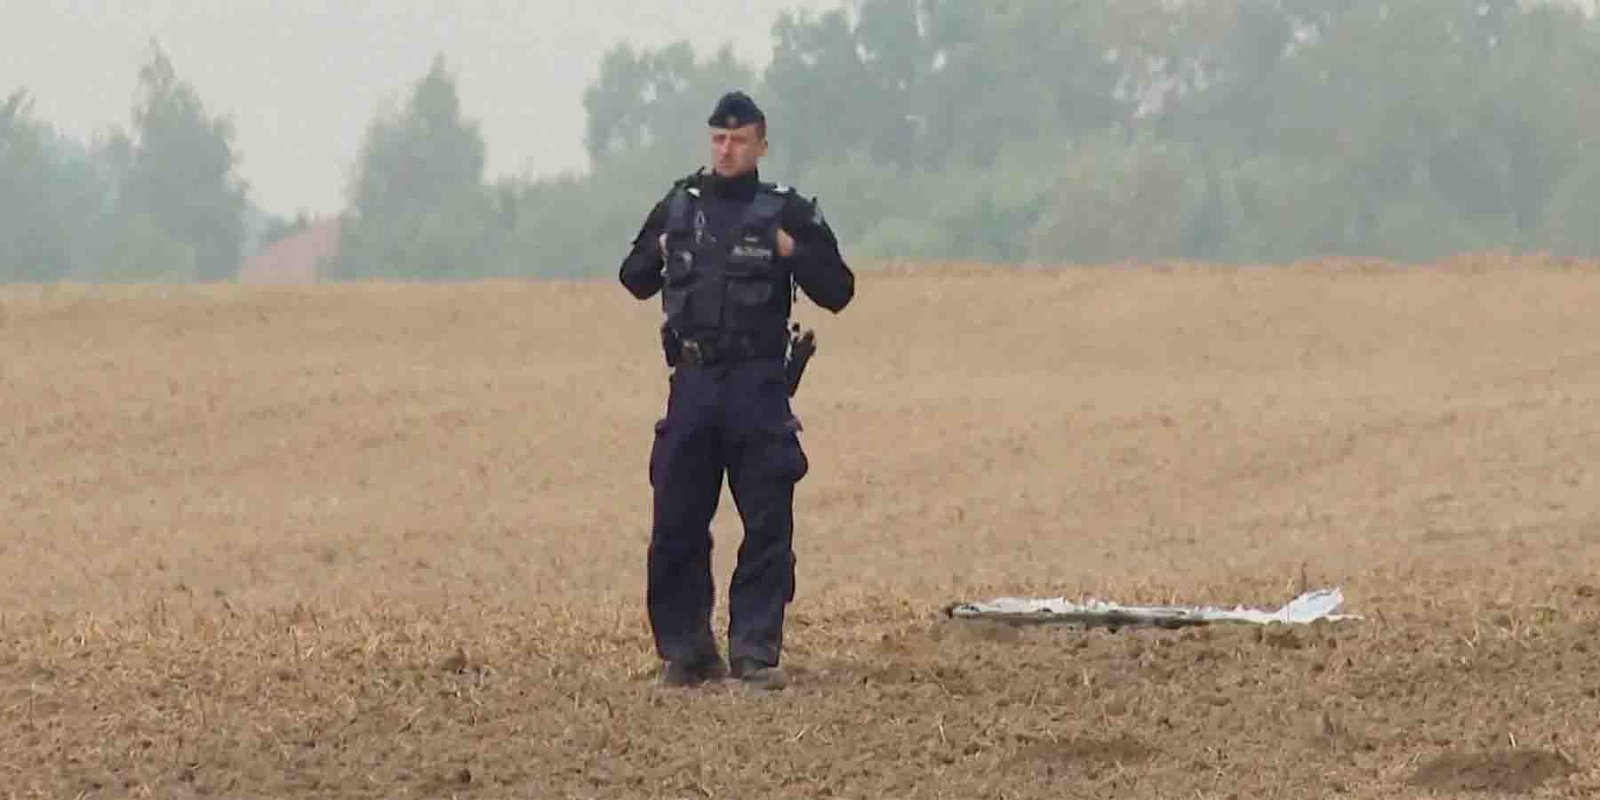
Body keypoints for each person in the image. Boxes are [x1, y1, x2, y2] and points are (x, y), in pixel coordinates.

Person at [618, 91, 855, 689]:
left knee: (767, 523)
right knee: (676, 521)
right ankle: (687, 652)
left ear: (761, 145)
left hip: (757, 385)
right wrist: (661, 249)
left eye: (739, 140)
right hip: (693, 382)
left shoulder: (786, 211)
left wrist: (793, 252)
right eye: (719, 139)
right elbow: (633, 279)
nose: (726, 150)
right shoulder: (679, 206)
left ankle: (754, 651)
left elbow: (839, 290)